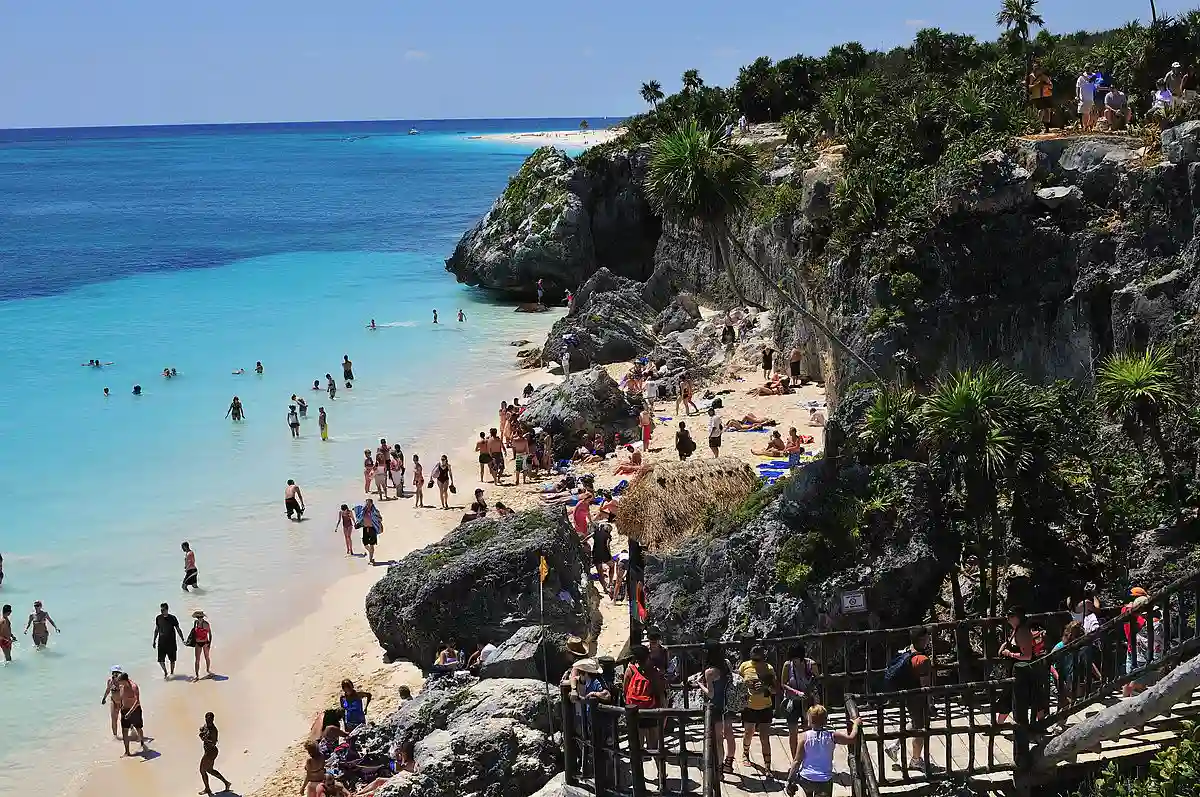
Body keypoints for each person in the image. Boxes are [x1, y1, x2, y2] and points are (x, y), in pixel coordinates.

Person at [785, 705, 861, 797]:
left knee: (806, 788)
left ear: (809, 721)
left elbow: (796, 761)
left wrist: (789, 780)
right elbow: (851, 739)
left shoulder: (804, 737)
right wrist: (856, 724)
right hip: (824, 780)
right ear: (825, 721)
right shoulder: (832, 736)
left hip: (806, 778)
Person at [884, 628, 933, 769]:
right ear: (923, 640)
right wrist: (930, 703)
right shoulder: (922, 660)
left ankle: (895, 746)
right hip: (918, 697)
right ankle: (916, 760)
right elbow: (926, 686)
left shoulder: (906, 651)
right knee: (921, 729)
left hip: (907, 694)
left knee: (915, 722)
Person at [739, 645, 777, 776]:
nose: (756, 663)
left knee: (764, 737)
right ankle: (745, 753)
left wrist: (766, 685)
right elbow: (737, 683)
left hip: (765, 706)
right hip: (749, 706)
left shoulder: (769, 669)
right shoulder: (744, 666)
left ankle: (767, 767)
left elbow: (775, 690)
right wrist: (745, 685)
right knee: (749, 732)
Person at [699, 643, 736, 773]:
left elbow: (710, 693)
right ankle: (729, 763)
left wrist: (699, 684)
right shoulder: (726, 664)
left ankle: (719, 769)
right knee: (729, 734)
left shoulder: (710, 672)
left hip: (716, 707)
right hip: (728, 705)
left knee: (718, 739)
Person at [782, 644, 821, 757]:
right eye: (792, 658)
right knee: (793, 732)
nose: (794, 661)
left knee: (808, 731)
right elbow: (783, 684)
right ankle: (795, 758)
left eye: (796, 658)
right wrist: (796, 692)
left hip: (808, 701)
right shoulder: (787, 665)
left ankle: (808, 757)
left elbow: (817, 680)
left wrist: (809, 691)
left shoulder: (811, 664)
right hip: (792, 701)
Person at [198, 712, 232, 795]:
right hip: (208, 751)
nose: (208, 721)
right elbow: (202, 729)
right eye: (206, 719)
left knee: (202, 770)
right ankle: (226, 783)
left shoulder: (214, 730)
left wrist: (204, 739)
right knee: (209, 770)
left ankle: (207, 789)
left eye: (210, 719)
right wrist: (201, 731)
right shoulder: (206, 725)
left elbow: (213, 743)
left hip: (211, 752)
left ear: (213, 719)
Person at [117, 671, 147, 756]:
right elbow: (122, 698)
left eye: (119, 680)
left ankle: (142, 742)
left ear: (125, 680)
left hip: (135, 710)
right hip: (124, 710)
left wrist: (130, 712)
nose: (118, 682)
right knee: (124, 730)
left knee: (138, 728)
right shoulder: (121, 686)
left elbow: (137, 701)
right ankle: (127, 752)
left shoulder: (134, 686)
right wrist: (121, 707)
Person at [153, 602, 185, 679]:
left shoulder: (173, 618)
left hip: (171, 642)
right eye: (161, 609)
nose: (161, 611)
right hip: (161, 642)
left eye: (163, 609)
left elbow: (178, 629)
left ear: (167, 609)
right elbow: (157, 629)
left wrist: (182, 639)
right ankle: (165, 672)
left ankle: (172, 673)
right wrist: (154, 640)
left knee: (172, 660)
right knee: (160, 660)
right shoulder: (158, 618)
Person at [1029, 64, 1053, 132]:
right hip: (1037, 96)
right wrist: (1037, 85)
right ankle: (1038, 126)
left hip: (1046, 95)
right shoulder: (1031, 76)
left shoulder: (1044, 76)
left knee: (1047, 110)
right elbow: (1029, 87)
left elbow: (1051, 86)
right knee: (1041, 110)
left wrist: (1045, 84)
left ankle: (1047, 128)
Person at [589, 522, 614, 588]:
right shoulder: (608, 535)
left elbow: (588, 537)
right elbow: (607, 545)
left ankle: (604, 588)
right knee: (612, 565)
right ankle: (610, 582)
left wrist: (581, 542)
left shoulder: (596, 532)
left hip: (596, 554)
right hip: (605, 554)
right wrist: (610, 555)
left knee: (600, 572)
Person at [190, 609, 213, 681]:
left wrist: (210, 644)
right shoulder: (195, 623)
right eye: (198, 617)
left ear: (203, 617)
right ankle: (197, 675)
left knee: (207, 657)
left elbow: (210, 634)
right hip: (197, 643)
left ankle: (208, 670)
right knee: (197, 659)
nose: (199, 619)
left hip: (205, 642)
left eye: (201, 617)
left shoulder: (206, 624)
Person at [101, 666, 123, 737]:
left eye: (117, 673)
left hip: (122, 702)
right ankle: (115, 736)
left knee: (125, 719)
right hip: (113, 701)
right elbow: (108, 690)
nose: (115, 674)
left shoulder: (122, 682)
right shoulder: (110, 681)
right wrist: (104, 698)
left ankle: (130, 730)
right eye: (114, 673)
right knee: (113, 719)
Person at [360, 498, 381, 565]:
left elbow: (381, 519)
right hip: (365, 529)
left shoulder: (375, 511)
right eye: (366, 503)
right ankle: (370, 552)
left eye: (369, 503)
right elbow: (359, 518)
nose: (367, 505)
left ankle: (371, 559)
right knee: (365, 544)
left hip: (372, 529)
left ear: (372, 504)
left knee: (372, 544)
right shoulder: (363, 511)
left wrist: (377, 518)